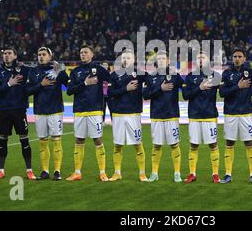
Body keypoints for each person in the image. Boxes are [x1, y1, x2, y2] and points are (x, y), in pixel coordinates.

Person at [65, 45, 110, 181]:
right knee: (79, 139)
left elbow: (109, 84)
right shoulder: (75, 71)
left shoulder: (100, 70)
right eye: (81, 52)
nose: (82, 54)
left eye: (85, 52)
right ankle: (77, 172)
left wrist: (105, 97)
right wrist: (85, 83)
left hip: (95, 110)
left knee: (97, 139)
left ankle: (102, 172)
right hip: (79, 110)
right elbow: (69, 90)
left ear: (92, 55)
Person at [0, 48, 36, 180]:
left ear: (15, 56)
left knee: (24, 140)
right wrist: (9, 84)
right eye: (5, 53)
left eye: (9, 53)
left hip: (19, 110)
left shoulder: (25, 70)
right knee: (2, 141)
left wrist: (55, 68)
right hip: (4, 111)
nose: (6, 56)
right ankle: (0, 170)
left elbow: (37, 73)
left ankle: (29, 171)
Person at [219, 47, 252, 184]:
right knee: (229, 143)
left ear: (244, 59)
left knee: (249, 143)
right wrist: (238, 86)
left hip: (246, 114)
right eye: (235, 56)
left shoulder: (250, 73)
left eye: (239, 56)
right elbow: (222, 93)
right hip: (230, 113)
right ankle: (228, 174)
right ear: (232, 58)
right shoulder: (226, 73)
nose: (237, 59)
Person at [26, 47, 69, 180]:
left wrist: (61, 70)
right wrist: (41, 84)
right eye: (39, 54)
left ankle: (57, 171)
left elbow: (68, 85)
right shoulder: (33, 71)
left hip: (55, 110)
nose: (41, 57)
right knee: (42, 142)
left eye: (44, 54)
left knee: (56, 140)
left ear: (50, 56)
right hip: (40, 111)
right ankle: (45, 171)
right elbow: (27, 91)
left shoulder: (57, 70)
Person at [143, 50, 184, 183]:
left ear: (168, 61)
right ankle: (154, 173)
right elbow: (145, 95)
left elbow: (186, 91)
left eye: (163, 58)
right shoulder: (150, 77)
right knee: (156, 145)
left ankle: (177, 173)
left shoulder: (175, 76)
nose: (161, 60)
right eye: (159, 58)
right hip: (156, 115)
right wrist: (160, 88)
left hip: (172, 115)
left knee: (174, 144)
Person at [108, 49, 148, 182]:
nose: (125, 60)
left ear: (134, 59)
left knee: (137, 144)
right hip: (118, 114)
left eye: (128, 57)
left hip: (134, 114)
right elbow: (110, 93)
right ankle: (117, 173)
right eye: (123, 57)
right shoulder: (114, 75)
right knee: (118, 145)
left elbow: (153, 81)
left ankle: (142, 174)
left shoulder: (140, 74)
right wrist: (126, 89)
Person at [182, 51, 221, 183]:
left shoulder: (216, 76)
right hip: (194, 116)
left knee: (213, 144)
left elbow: (222, 93)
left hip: (210, 115)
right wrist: (199, 87)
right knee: (193, 145)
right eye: (198, 57)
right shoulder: (190, 77)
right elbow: (185, 95)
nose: (200, 59)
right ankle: (192, 173)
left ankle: (215, 174)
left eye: (203, 57)